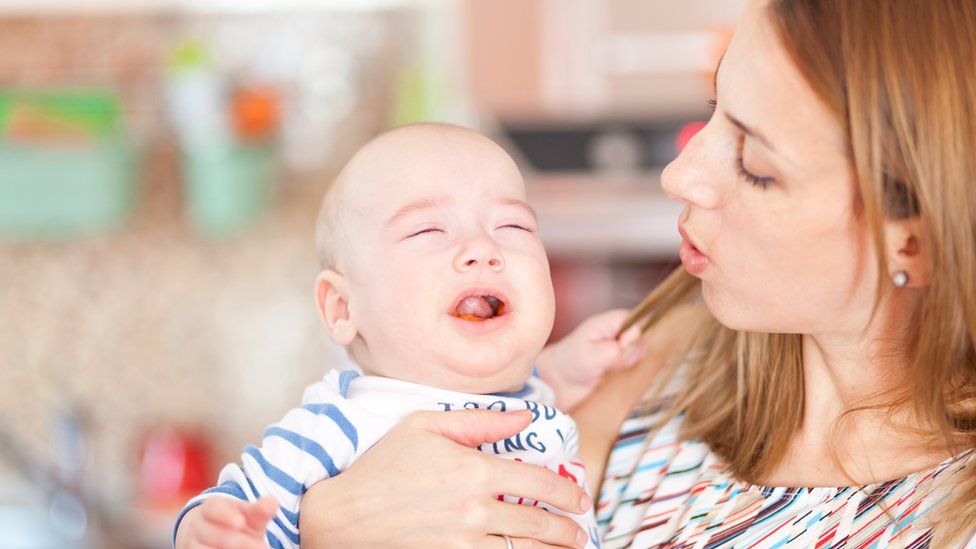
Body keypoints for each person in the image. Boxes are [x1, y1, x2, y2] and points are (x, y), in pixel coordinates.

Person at [295, 0, 976, 547]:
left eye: (756, 167)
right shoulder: (649, 360)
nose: (679, 175)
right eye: (712, 109)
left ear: (912, 245)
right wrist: (319, 519)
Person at [172, 123, 645, 549]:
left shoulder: (533, 397)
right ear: (343, 308)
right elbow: (238, 503)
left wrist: (565, 367)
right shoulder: (342, 422)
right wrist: (211, 533)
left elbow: (521, 401)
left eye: (513, 226)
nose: (483, 248)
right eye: (427, 230)